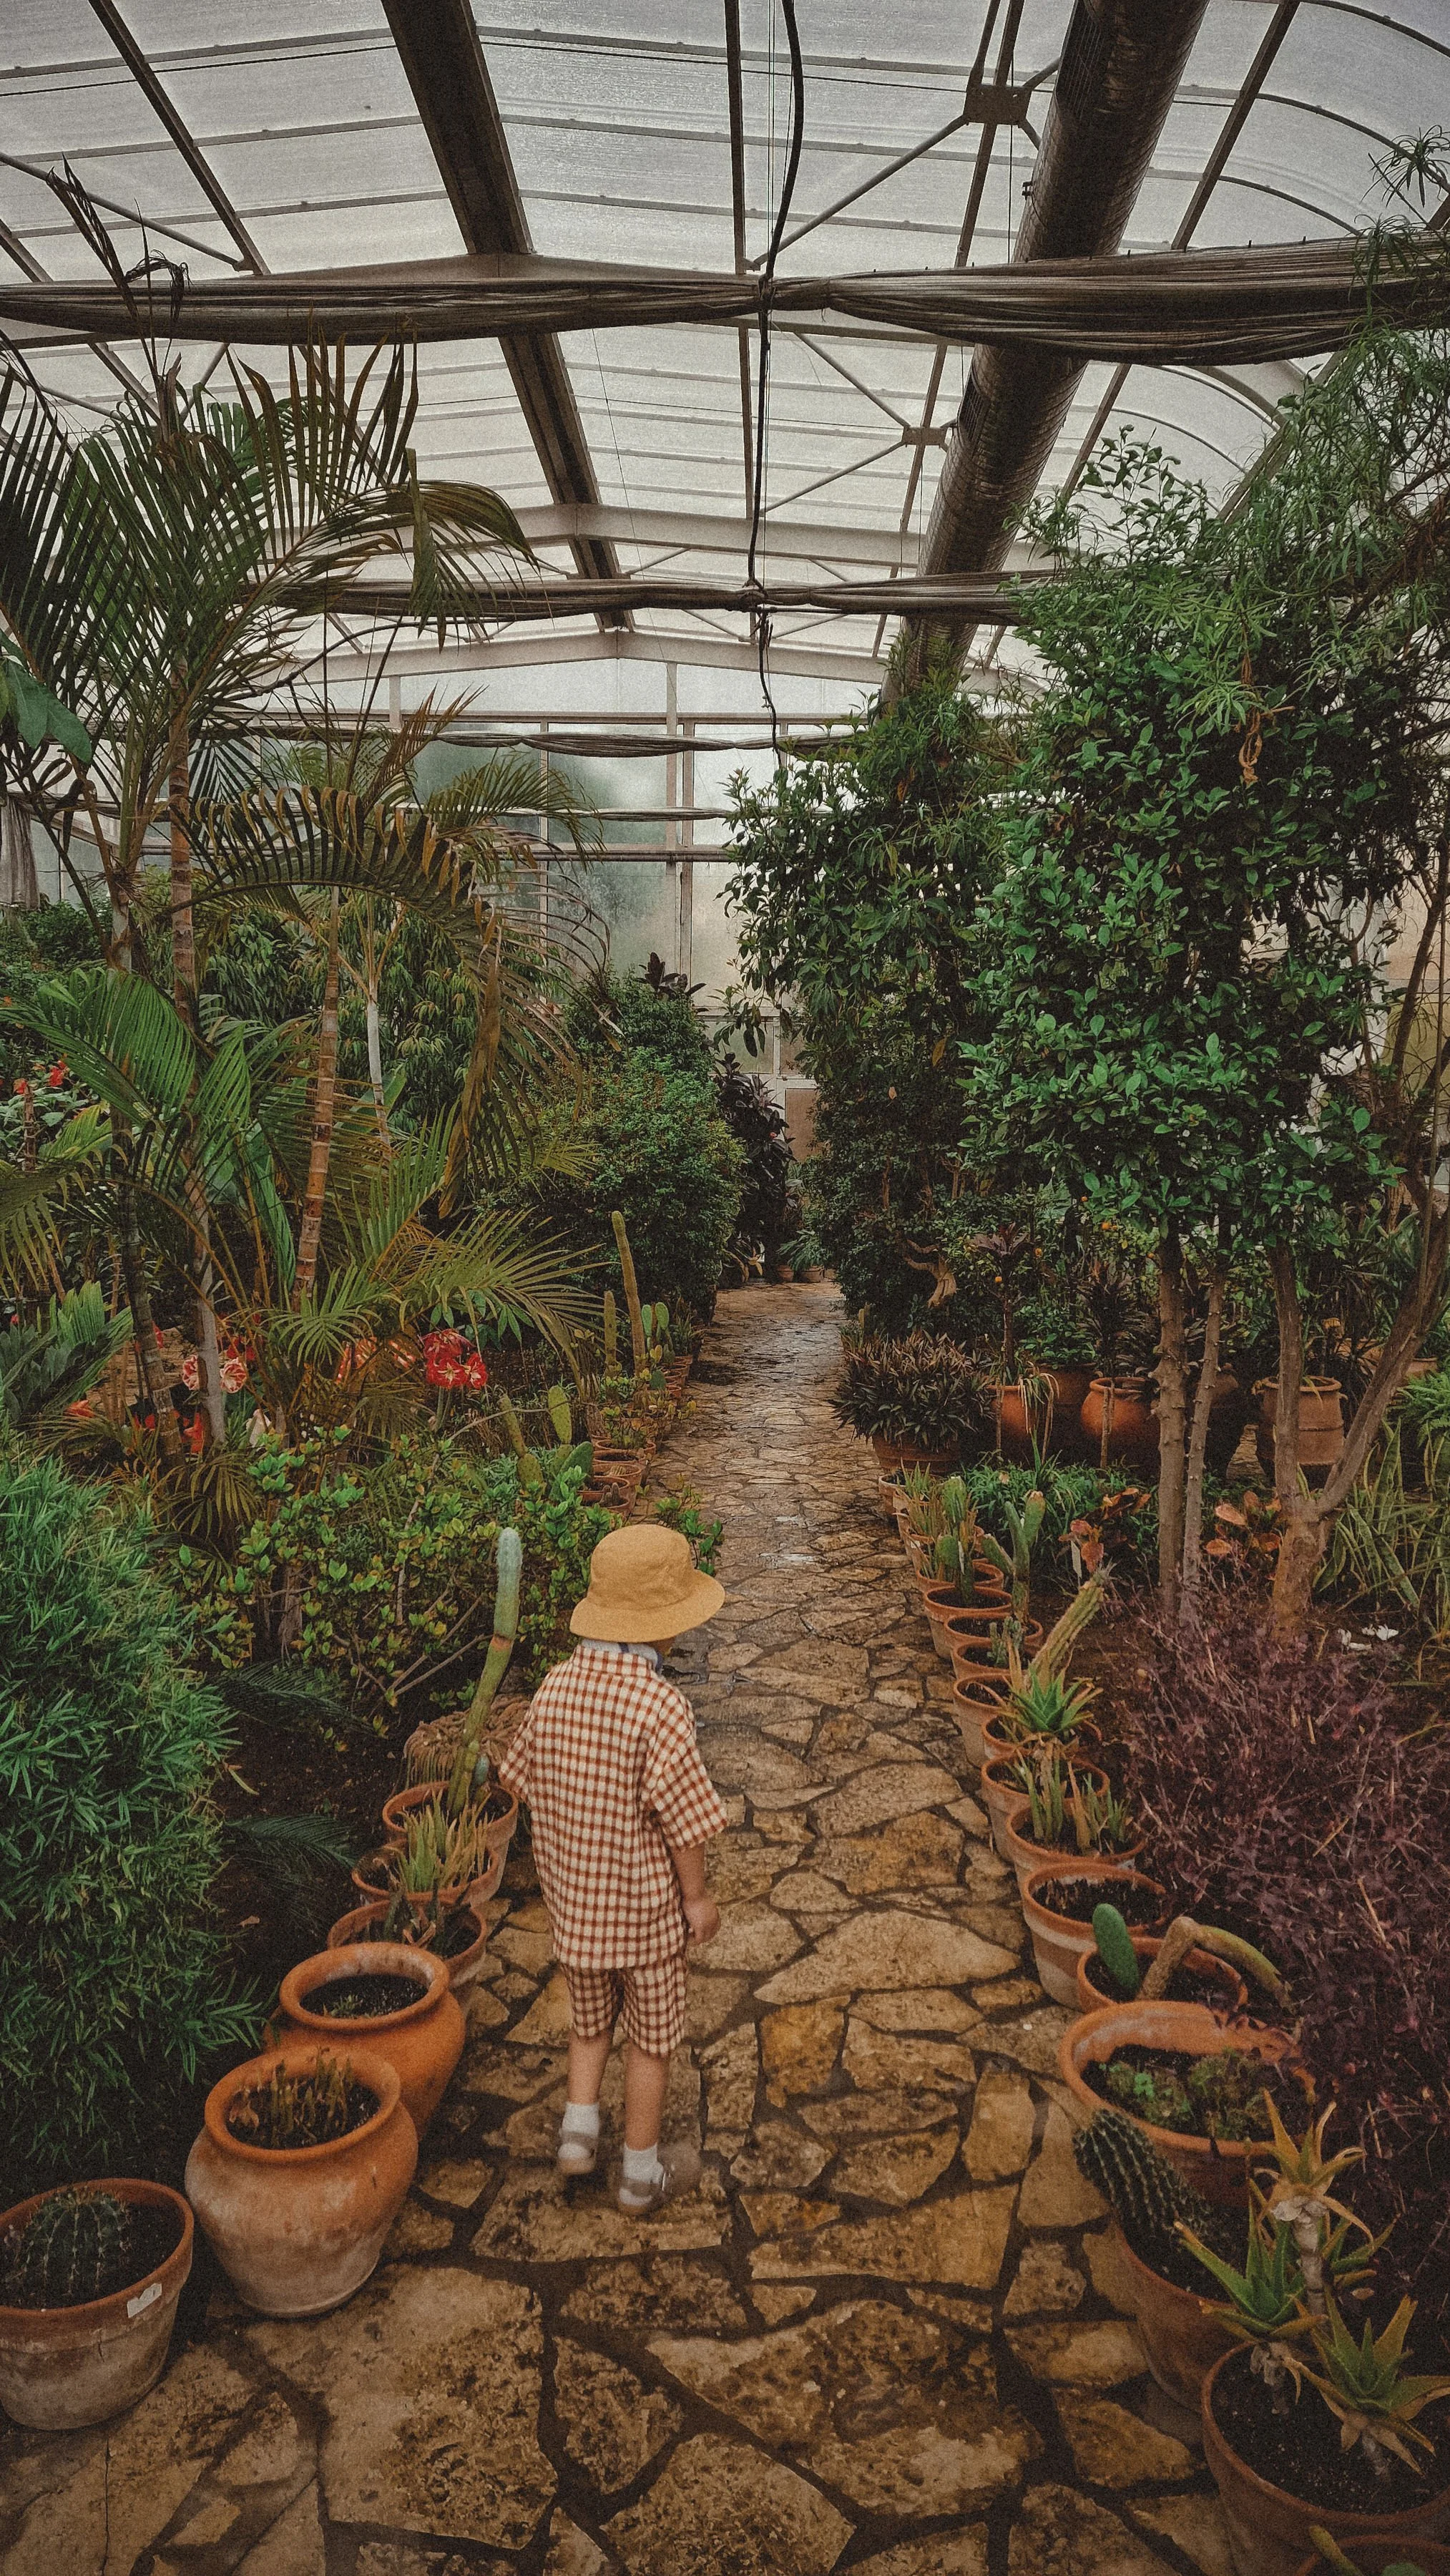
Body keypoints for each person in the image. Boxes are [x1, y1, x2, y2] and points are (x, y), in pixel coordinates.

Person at [496, 1521, 728, 2214]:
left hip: (574, 1910)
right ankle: (636, 2171)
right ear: (663, 1627)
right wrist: (697, 1898)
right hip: (646, 1917)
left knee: (588, 2024)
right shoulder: (658, 1705)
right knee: (651, 2044)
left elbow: (521, 1781)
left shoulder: (555, 1688)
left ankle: (577, 2133)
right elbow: (683, 1820)